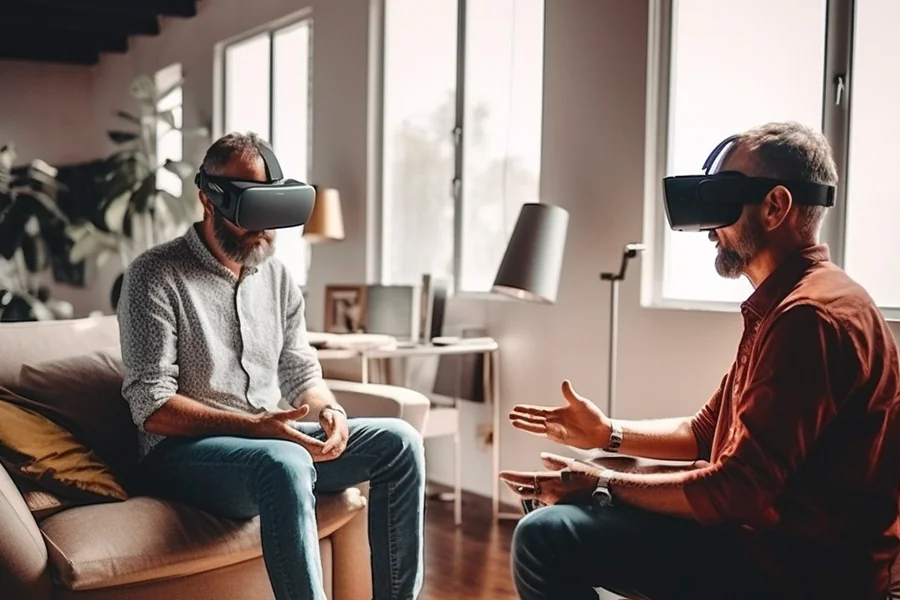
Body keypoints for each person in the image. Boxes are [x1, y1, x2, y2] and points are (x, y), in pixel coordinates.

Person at [499, 121, 900, 600]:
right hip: (765, 543)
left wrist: (602, 483)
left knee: (546, 537)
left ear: (776, 207)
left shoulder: (808, 318)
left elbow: (737, 490)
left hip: (796, 570)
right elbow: (708, 431)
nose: (711, 229)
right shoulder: (790, 304)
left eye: (723, 200)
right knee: (549, 507)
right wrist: (608, 434)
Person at [117, 132, 425, 600]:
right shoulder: (155, 274)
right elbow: (152, 406)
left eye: (272, 211)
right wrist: (254, 427)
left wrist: (329, 412)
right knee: (283, 462)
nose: (264, 229)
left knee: (400, 443)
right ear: (208, 198)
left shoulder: (278, 277)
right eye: (251, 211)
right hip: (182, 454)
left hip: (268, 439)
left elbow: (301, 370)